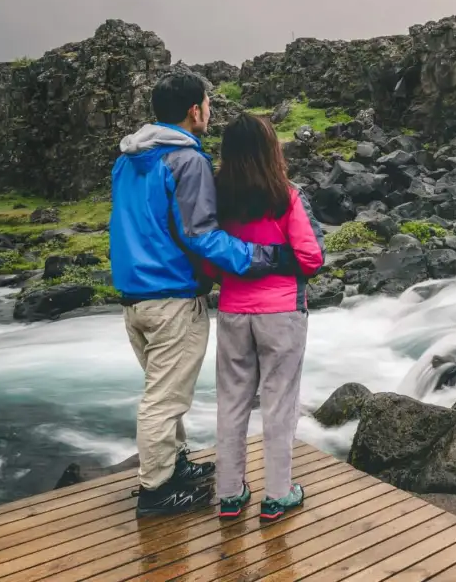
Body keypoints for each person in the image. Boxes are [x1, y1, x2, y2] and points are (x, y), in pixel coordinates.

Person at [110, 72, 297, 517]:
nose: (210, 109)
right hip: (171, 296)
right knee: (165, 398)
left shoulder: (128, 159)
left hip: (133, 297)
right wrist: (267, 257)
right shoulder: (186, 161)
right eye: (208, 103)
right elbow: (201, 236)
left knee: (162, 388)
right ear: (195, 110)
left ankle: (174, 467)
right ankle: (156, 491)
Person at [207, 112, 324, 522]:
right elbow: (311, 258)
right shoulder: (285, 196)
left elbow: (209, 258)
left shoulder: (216, 199)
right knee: (279, 404)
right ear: (271, 149)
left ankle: (230, 494)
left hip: (233, 312)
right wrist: (280, 260)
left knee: (232, 402)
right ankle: (277, 495)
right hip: (281, 314)